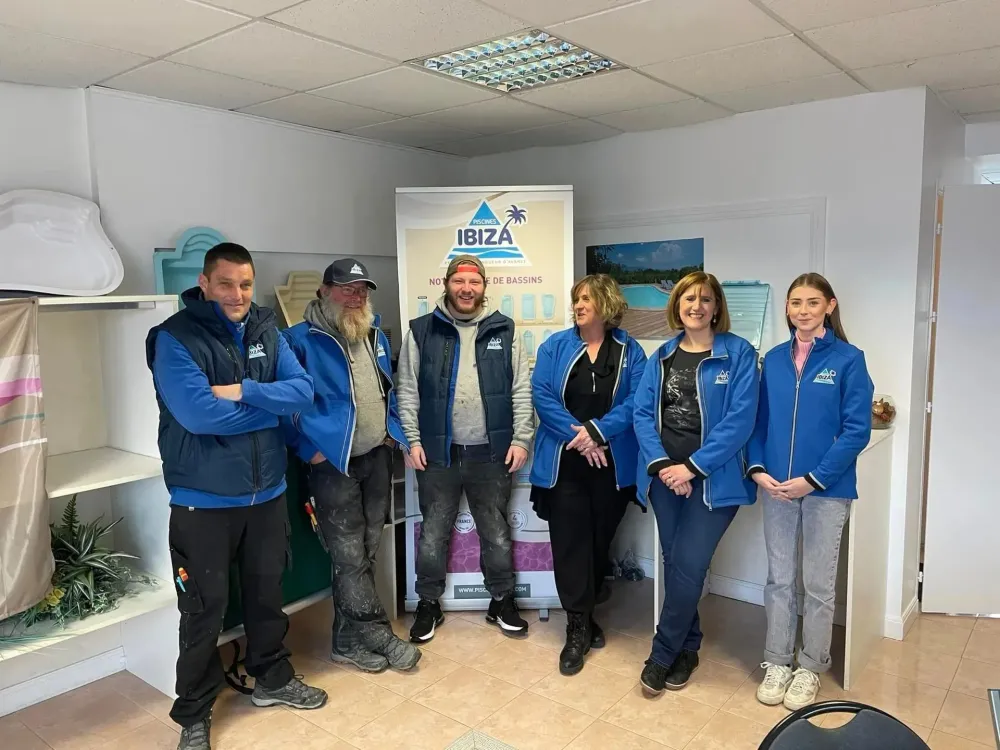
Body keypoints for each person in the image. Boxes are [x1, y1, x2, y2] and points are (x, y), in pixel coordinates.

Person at [145, 243, 328, 750]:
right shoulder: (174, 338)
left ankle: (270, 678)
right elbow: (199, 415)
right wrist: (271, 408)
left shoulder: (267, 328)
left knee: (268, 593)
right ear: (204, 284)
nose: (237, 294)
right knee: (205, 608)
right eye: (226, 283)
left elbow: (303, 391)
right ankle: (194, 712)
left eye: (245, 283)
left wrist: (243, 390)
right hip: (202, 499)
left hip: (267, 492)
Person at [281, 258, 421, 674]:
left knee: (367, 552)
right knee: (348, 557)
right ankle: (378, 634)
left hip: (376, 457)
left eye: (362, 290)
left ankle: (345, 641)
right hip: (334, 465)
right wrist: (310, 449)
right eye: (348, 289)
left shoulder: (372, 334)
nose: (357, 297)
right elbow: (284, 407)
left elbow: (386, 392)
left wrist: (394, 433)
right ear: (325, 291)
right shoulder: (297, 341)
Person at [749, 273, 873, 711]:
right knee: (779, 579)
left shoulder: (849, 360)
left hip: (826, 490)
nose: (804, 310)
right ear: (787, 309)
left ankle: (810, 667)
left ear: (830, 307)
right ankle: (778, 660)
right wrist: (759, 469)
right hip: (777, 488)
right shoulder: (775, 360)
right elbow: (759, 423)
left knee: (819, 585)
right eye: (796, 302)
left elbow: (856, 430)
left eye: (813, 302)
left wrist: (814, 478)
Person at [633, 271, 759, 696]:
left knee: (688, 563)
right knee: (677, 565)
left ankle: (662, 653)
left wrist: (693, 468)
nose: (697, 306)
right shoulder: (662, 356)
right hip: (665, 477)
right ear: (678, 305)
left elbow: (740, 421)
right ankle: (688, 648)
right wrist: (664, 466)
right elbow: (641, 416)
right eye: (689, 298)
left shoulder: (738, 354)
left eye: (706, 299)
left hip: (715, 480)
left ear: (717, 307)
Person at [397, 254, 534, 642]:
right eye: (460, 282)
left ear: (484, 287)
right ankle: (428, 604)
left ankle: (502, 600)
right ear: (447, 284)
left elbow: (520, 388)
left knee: (496, 532)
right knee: (433, 534)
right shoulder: (422, 331)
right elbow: (407, 390)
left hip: (491, 453)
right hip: (438, 454)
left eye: (474, 282)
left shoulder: (504, 331)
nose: (467, 289)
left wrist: (522, 438)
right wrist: (412, 438)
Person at [529, 274, 647, 676]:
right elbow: (542, 395)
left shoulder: (630, 351)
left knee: (598, 541)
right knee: (570, 543)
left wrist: (598, 433)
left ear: (607, 303)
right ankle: (576, 626)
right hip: (565, 462)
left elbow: (637, 401)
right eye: (576, 299)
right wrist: (580, 437)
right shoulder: (555, 346)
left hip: (611, 465)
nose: (578, 305)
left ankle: (589, 609)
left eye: (586, 299)